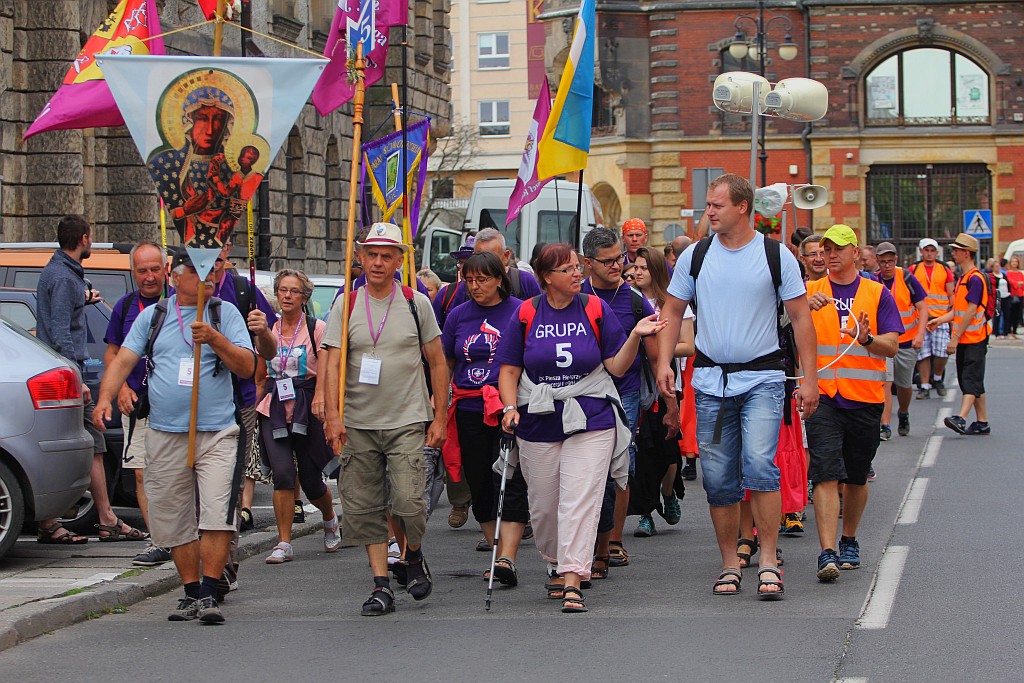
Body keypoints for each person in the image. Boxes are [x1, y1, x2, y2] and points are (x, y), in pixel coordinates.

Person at [655, 173, 819, 600]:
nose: (708, 211)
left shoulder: (774, 254)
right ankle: (731, 562)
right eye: (709, 204)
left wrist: (810, 380)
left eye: (716, 205)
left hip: (763, 379)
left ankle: (767, 558)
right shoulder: (696, 255)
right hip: (710, 384)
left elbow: (802, 318)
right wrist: (664, 364)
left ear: (742, 207)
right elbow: (672, 311)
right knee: (717, 477)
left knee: (761, 465)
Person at [497, 243, 666, 613]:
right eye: (568, 270)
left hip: (591, 416)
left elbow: (617, 368)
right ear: (546, 277)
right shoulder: (526, 313)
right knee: (543, 505)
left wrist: (636, 335)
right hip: (538, 418)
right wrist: (509, 407)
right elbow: (509, 369)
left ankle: (573, 575)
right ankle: (557, 561)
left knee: (580, 496)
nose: (578, 274)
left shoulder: (595, 308)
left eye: (578, 267)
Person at [94, 248, 260, 623]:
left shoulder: (223, 313)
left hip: (218, 432)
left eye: (210, 270)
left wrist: (215, 339)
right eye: (196, 270)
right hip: (166, 433)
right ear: (176, 275)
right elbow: (123, 358)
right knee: (175, 517)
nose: (207, 277)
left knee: (217, 514)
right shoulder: (155, 316)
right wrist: (106, 396)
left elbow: (248, 366)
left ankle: (209, 591)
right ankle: (189, 591)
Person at [321, 222, 448, 616]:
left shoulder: (416, 302)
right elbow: (333, 364)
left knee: (410, 502)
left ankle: (412, 556)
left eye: (386, 255)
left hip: (408, 419)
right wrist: (332, 416)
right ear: (359, 257)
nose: (377, 262)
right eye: (371, 254)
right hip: (358, 423)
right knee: (364, 508)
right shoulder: (347, 304)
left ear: (399, 260)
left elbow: (438, 361)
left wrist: (440, 416)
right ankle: (381, 586)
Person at [35, 215, 147, 545]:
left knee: (83, 446)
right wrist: (76, 377)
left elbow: (58, 315)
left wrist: (84, 300)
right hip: (68, 375)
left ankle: (70, 520)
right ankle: (101, 520)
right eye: (91, 237)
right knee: (92, 445)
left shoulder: (59, 274)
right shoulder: (64, 277)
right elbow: (59, 333)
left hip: (62, 373)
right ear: (84, 239)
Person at [804, 225, 901, 582]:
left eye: (839, 248)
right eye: (826, 249)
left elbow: (891, 346)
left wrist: (867, 338)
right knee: (826, 472)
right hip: (823, 397)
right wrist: (797, 309)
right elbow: (784, 330)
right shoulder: (809, 291)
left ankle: (849, 539)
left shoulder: (877, 293)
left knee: (857, 475)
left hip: (864, 399)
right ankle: (827, 551)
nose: (830, 255)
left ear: (856, 252)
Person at [580, 228, 674, 563]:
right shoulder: (577, 297)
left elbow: (654, 357)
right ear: (588, 263)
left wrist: (670, 406)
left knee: (620, 465)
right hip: (583, 394)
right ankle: (588, 539)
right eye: (606, 261)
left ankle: (615, 540)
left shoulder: (634, 300)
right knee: (586, 468)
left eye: (620, 258)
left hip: (625, 393)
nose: (617, 266)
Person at [441, 251, 529, 585]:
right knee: (479, 481)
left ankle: (507, 556)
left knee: (509, 479)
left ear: (499, 279)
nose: (475, 286)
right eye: (469, 280)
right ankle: (495, 548)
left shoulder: (520, 310)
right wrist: (439, 405)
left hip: (510, 408)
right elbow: (447, 362)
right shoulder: (458, 315)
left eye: (483, 279)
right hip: (468, 408)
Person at [258, 270, 341, 564]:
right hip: (275, 406)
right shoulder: (268, 329)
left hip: (307, 404)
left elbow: (327, 366)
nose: (288, 296)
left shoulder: (316, 328)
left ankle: (330, 519)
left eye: (294, 291)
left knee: (310, 479)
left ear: (305, 297)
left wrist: (322, 398)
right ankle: (283, 542)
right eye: (282, 290)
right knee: (282, 474)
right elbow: (260, 370)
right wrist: (256, 402)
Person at [103, 241, 174, 565]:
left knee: (175, 475)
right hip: (137, 405)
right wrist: (118, 392)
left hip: (174, 404)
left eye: (154, 269)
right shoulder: (126, 305)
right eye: (142, 270)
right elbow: (112, 353)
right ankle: (159, 540)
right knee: (143, 474)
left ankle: (185, 535)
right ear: (134, 272)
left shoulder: (178, 302)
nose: (148, 277)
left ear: (166, 270)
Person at [631, 246, 693, 537]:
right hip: (640, 386)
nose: (637, 272)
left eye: (643, 267)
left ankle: (668, 493)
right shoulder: (629, 301)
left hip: (669, 386)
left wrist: (658, 348)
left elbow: (689, 345)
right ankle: (646, 511)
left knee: (669, 451)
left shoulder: (675, 303)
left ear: (656, 270)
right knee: (645, 451)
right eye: (635, 266)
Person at [929, 233, 991, 436]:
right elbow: (958, 311)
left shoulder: (974, 279)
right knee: (973, 380)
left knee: (970, 379)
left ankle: (961, 418)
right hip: (968, 338)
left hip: (975, 339)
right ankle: (982, 422)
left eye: (956, 250)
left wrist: (954, 338)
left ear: (966, 253)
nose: (953, 253)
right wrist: (940, 320)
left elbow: (971, 311)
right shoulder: (964, 278)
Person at [433, 229, 543, 328]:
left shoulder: (524, 282)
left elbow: (540, 323)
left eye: (491, 256)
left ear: (506, 256)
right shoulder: (452, 294)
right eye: (479, 256)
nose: (475, 286)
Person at [875, 242, 927, 439]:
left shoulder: (906, 277)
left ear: (895, 260)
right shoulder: (874, 280)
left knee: (904, 385)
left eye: (890, 261)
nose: (886, 266)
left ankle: (903, 413)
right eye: (883, 262)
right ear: (878, 262)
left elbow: (922, 307)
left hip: (907, 342)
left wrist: (920, 335)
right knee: (885, 382)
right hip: (885, 342)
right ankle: (885, 425)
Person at [912, 238, 955, 399]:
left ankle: (937, 377)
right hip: (921, 318)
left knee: (942, 351)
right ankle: (924, 385)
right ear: (921, 251)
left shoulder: (944, 269)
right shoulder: (914, 268)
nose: (929, 254)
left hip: (940, 316)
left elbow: (951, 293)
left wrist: (951, 315)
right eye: (926, 250)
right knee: (923, 354)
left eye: (932, 251)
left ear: (937, 253)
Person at [1005, 257, 1024, 338]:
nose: (1014, 263)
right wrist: (1017, 284)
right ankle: (1009, 331)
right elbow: (1010, 282)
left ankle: (1015, 331)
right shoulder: (1008, 273)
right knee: (1011, 313)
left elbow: (1023, 283)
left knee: (1018, 314)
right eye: (1013, 262)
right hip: (1012, 295)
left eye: (1016, 262)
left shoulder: (1020, 273)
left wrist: (1019, 284)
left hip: (1020, 295)